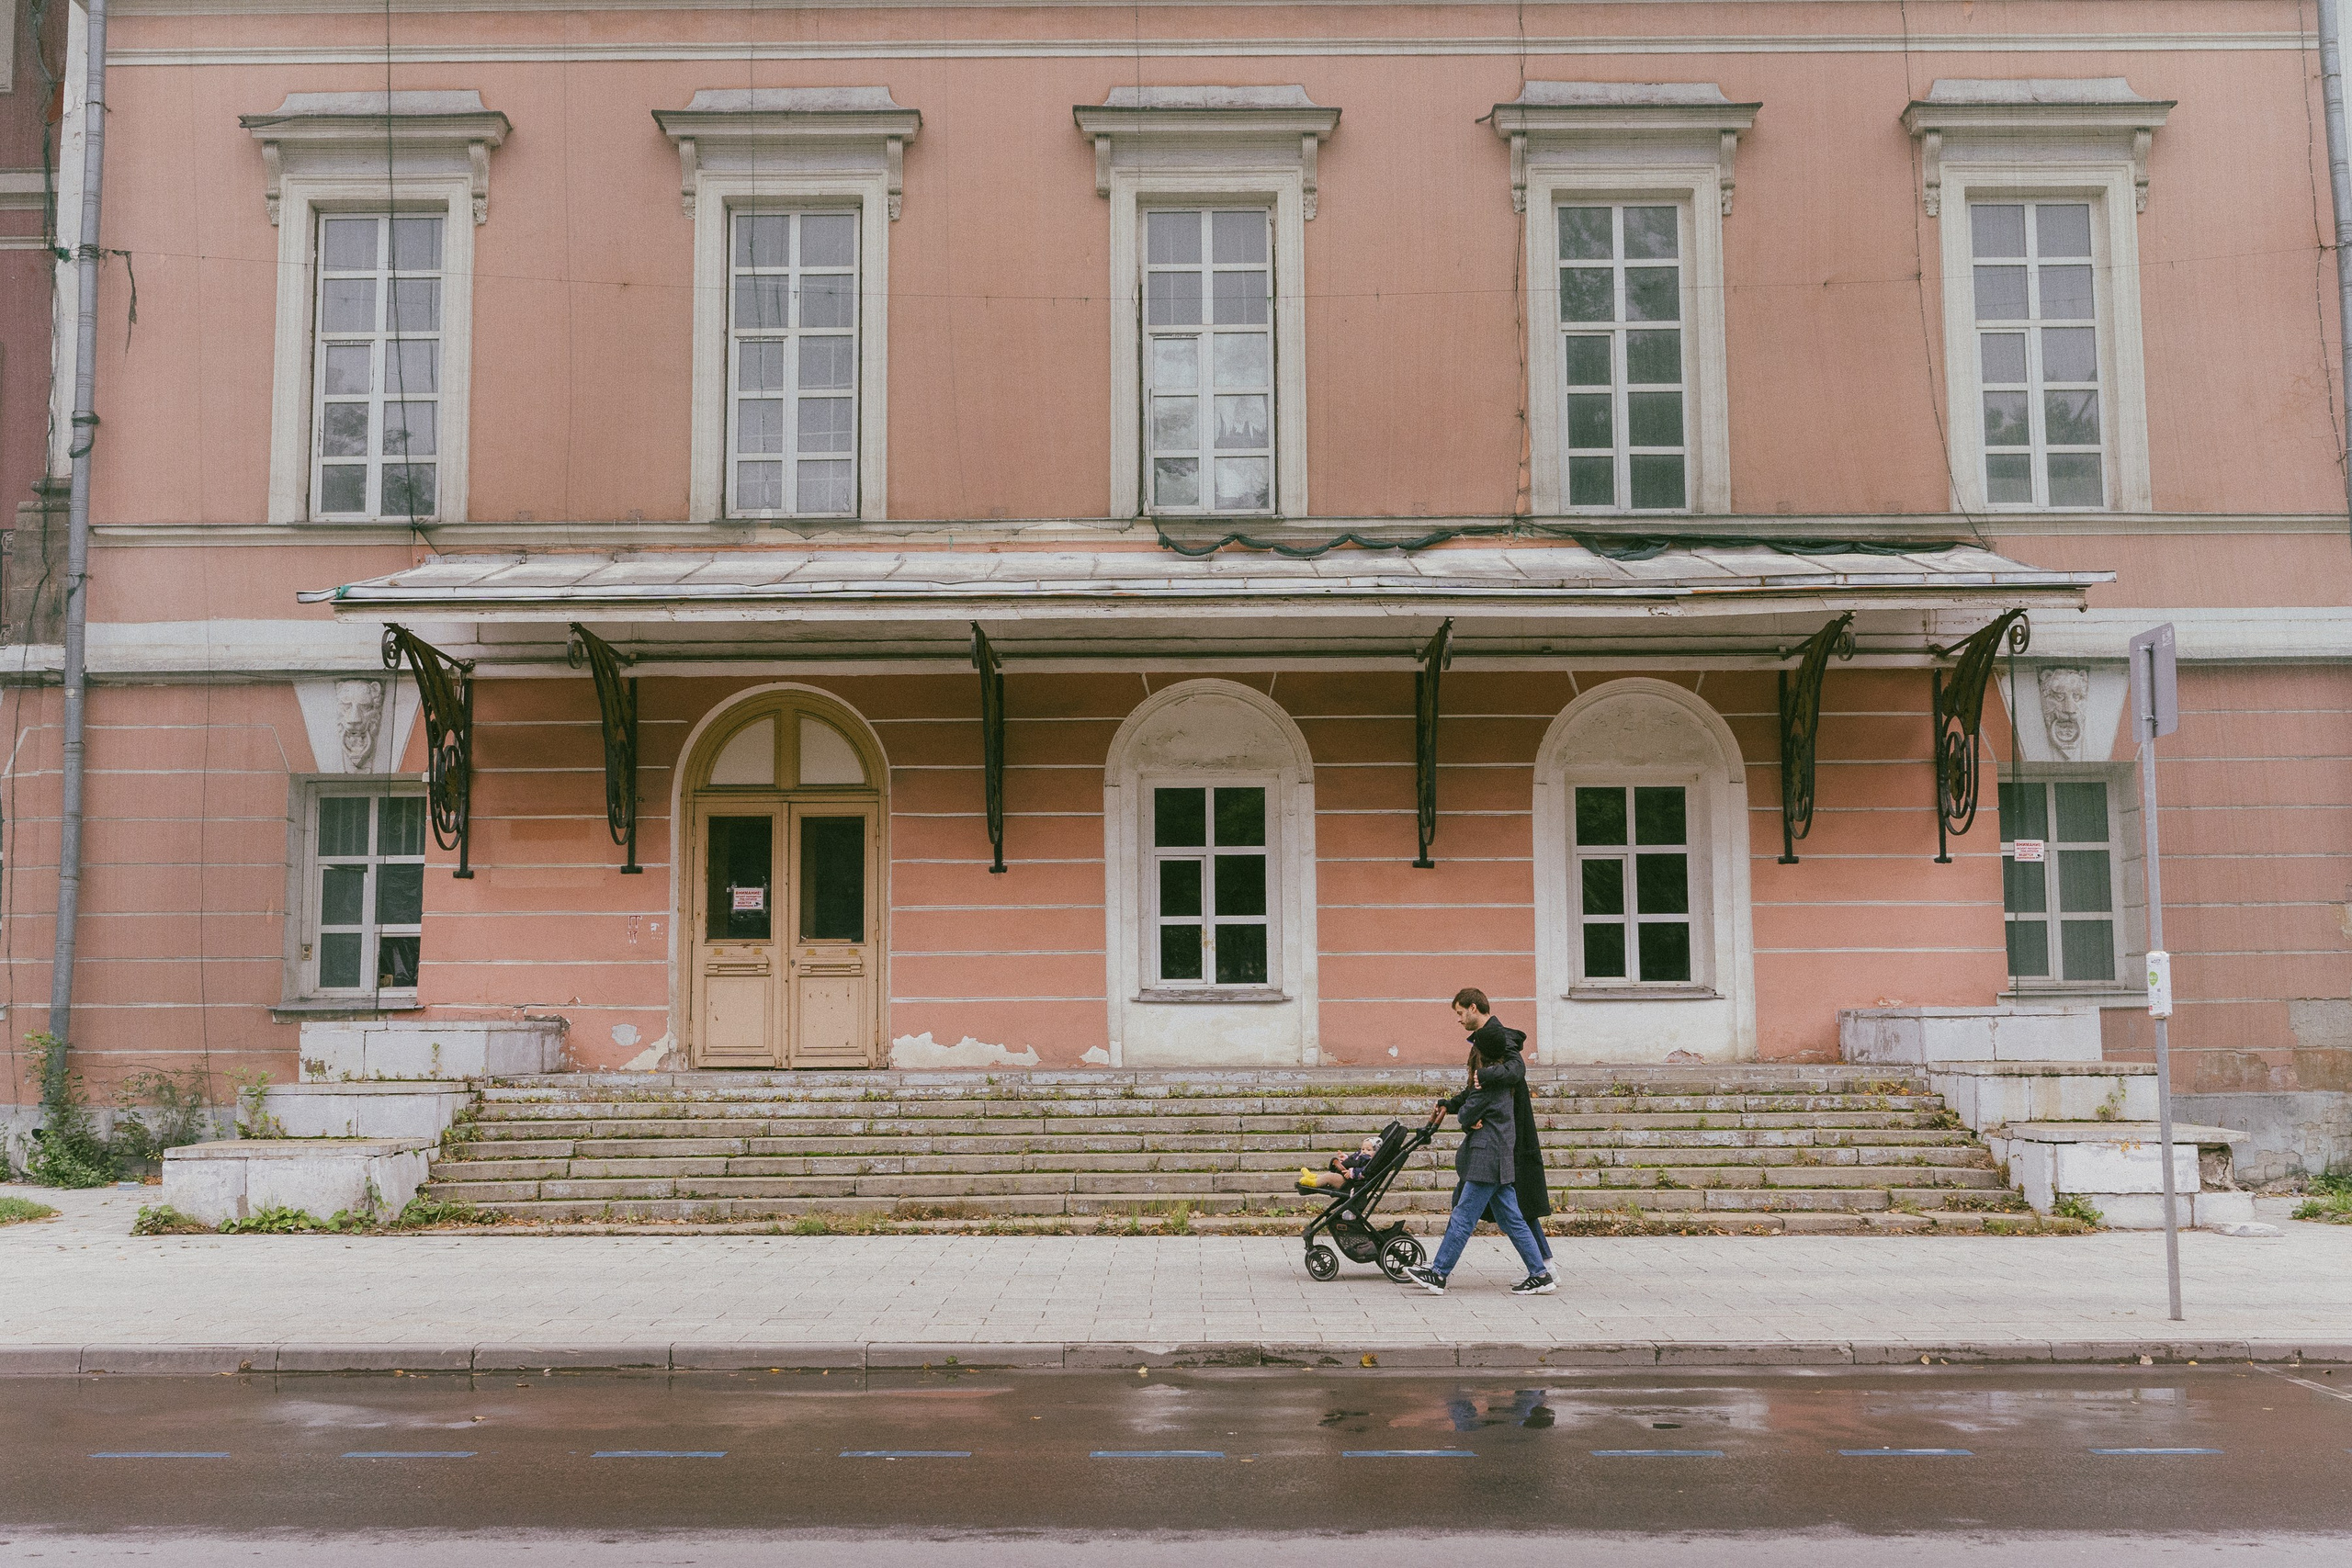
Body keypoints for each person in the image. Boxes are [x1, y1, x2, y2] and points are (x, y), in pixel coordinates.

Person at [1396, 1027, 1556, 1296]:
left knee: (1462, 1217)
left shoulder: (1486, 1085)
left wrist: (1468, 1119)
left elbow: (1466, 1114)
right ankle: (1540, 1274)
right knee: (1514, 1220)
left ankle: (1438, 1273)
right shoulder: (1503, 1081)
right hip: (1500, 1157)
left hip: (1486, 1158)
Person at [1451, 988, 1555, 1275]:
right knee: (1504, 1205)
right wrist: (1453, 1104)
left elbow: (1515, 1070)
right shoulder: (1485, 1039)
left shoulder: (1499, 1038)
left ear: (1473, 1008)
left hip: (1507, 1130)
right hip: (1499, 1129)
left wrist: (1483, 1078)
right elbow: (1475, 1088)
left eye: (1460, 1013)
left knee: (1514, 1205)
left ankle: (1438, 1268)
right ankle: (1543, 1265)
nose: (1458, 1020)